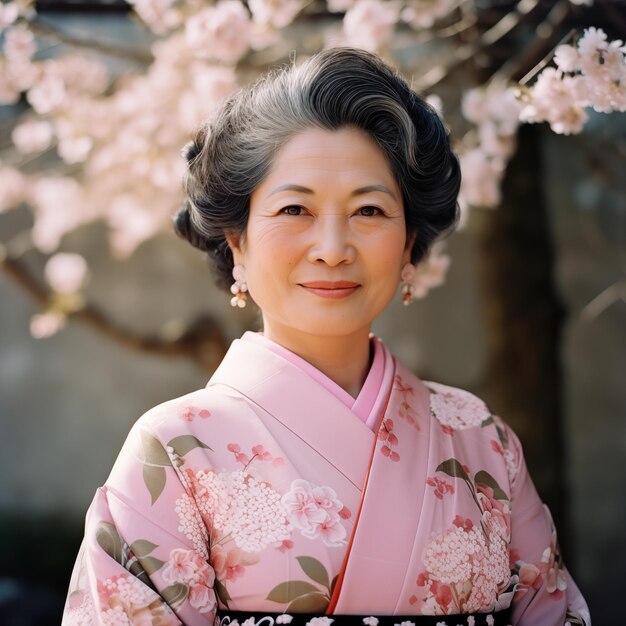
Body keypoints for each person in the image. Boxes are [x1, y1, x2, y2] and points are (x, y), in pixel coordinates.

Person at [62, 47, 590, 626]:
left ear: (410, 243)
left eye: (369, 210)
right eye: (294, 209)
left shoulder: (483, 440)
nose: (334, 248)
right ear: (236, 242)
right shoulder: (176, 451)